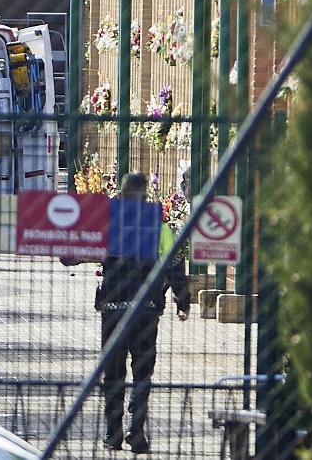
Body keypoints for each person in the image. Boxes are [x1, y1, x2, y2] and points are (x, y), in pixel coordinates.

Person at [96, 172, 190, 454]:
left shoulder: (109, 223)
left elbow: (78, 251)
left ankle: (113, 435)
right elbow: (174, 262)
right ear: (146, 197)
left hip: (113, 308)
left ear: (121, 196)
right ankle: (136, 434)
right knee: (142, 374)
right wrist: (181, 299)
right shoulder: (157, 225)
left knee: (113, 374)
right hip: (146, 310)